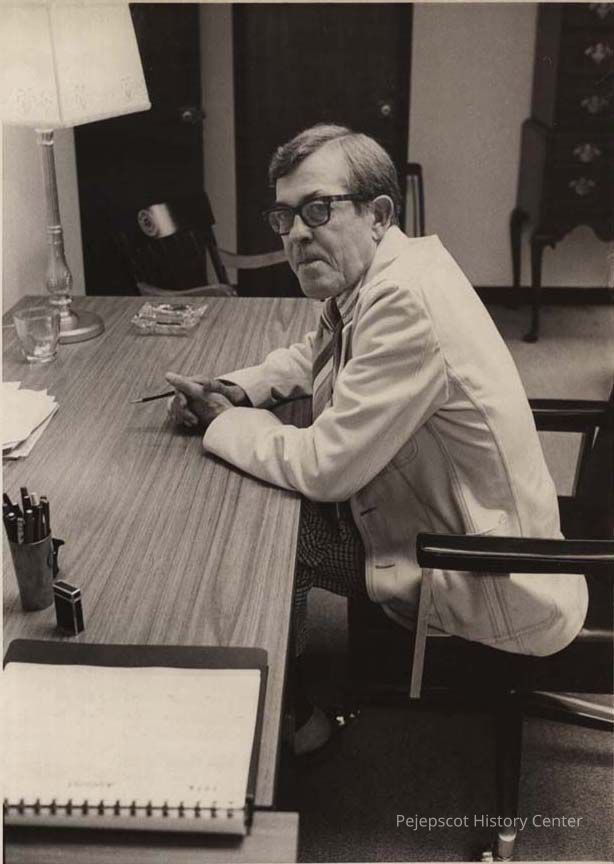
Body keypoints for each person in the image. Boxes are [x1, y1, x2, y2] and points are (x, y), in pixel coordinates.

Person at [166, 124, 588, 752]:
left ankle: (287, 720)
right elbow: (318, 350)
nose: (296, 233)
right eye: (284, 216)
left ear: (378, 213)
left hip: (487, 569)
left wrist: (220, 423)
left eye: (318, 209)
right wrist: (239, 387)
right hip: (461, 522)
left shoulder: (404, 302)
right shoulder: (389, 268)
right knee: (270, 506)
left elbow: (325, 468)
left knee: (273, 539)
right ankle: (284, 692)